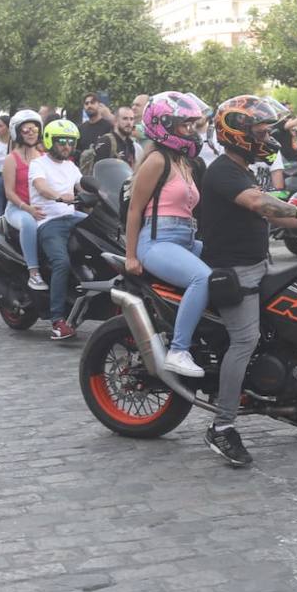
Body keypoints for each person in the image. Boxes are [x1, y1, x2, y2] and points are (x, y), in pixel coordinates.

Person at [199, 95, 297, 468]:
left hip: (259, 265)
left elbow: (277, 218)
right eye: (260, 130)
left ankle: (286, 402)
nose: (267, 136)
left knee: (295, 324)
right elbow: (260, 204)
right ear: (237, 133)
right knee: (245, 339)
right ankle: (221, 427)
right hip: (234, 271)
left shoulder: (244, 168)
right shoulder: (222, 171)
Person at [124, 91, 213, 377]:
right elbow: (135, 210)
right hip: (157, 242)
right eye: (183, 125)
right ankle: (178, 350)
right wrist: (131, 256)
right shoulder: (157, 161)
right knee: (203, 278)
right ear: (164, 125)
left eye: (191, 125)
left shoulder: (183, 163)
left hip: (186, 239)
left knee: (228, 266)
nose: (190, 131)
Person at [29, 119, 87, 340]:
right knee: (61, 262)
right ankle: (57, 321)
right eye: (62, 141)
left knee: (108, 239)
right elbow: (41, 187)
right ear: (49, 141)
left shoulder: (71, 166)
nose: (67, 146)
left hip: (72, 216)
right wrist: (59, 196)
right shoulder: (39, 164)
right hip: (49, 221)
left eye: (71, 142)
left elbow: (84, 185)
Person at [1, 110, 47, 289]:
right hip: (17, 208)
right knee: (28, 224)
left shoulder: (44, 157)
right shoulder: (11, 159)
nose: (30, 133)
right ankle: (34, 273)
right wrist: (27, 209)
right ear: (17, 132)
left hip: (40, 206)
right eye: (26, 129)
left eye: (34, 128)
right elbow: (9, 192)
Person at [82, 106, 139, 173]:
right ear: (115, 121)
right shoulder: (106, 142)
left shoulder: (130, 144)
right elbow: (97, 172)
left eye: (131, 119)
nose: (129, 123)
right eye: (125, 119)